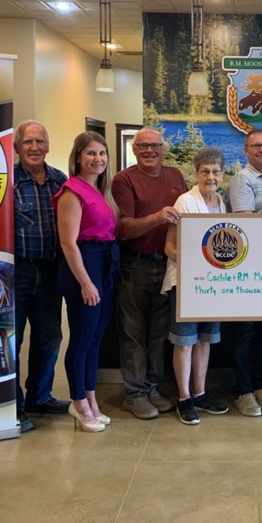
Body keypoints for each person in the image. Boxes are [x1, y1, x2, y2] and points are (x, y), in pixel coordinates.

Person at [112, 127, 187, 420]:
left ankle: (153, 387)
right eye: (143, 146)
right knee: (133, 332)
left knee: (158, 333)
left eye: (154, 145)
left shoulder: (175, 177)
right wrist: (157, 217)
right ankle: (135, 394)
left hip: (168, 265)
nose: (149, 151)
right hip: (136, 265)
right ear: (134, 149)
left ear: (163, 148)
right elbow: (123, 228)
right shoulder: (124, 180)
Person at [54, 132, 120, 433]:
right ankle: (78, 401)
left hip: (104, 264)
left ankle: (91, 398)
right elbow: (68, 243)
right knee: (81, 340)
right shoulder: (72, 191)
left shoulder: (101, 191)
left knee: (95, 339)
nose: (98, 159)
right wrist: (85, 282)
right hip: (84, 267)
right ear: (78, 156)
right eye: (91, 153)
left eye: (102, 154)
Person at [163, 147, 231, 425]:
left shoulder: (221, 203)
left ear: (222, 175)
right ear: (196, 173)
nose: (211, 176)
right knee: (185, 343)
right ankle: (184, 398)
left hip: (213, 285)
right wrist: (196, 264)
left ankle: (200, 393)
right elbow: (168, 246)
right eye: (205, 171)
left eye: (215, 171)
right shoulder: (184, 202)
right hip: (186, 283)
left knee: (205, 341)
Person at [12, 120, 70, 433]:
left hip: (50, 271)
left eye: (40, 142)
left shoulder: (59, 181)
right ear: (17, 147)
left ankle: (40, 396)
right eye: (28, 142)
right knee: (13, 341)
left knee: (49, 338)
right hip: (15, 272)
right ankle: (14, 405)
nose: (34, 147)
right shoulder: (7, 181)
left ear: (47, 146)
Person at [225, 129, 262, 417]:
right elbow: (245, 224)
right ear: (247, 150)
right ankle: (243, 389)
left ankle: (259, 384)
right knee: (245, 331)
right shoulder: (242, 179)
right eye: (256, 146)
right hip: (249, 266)